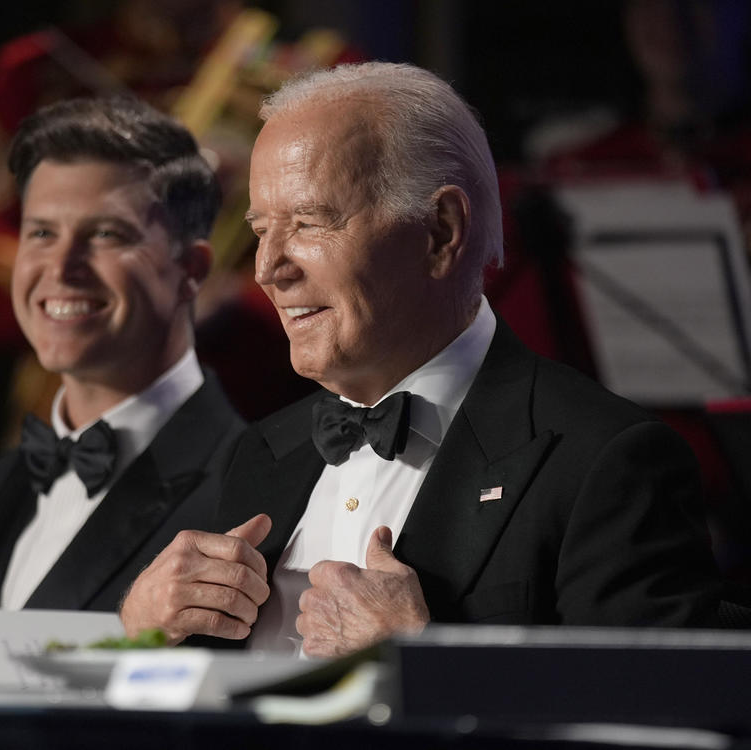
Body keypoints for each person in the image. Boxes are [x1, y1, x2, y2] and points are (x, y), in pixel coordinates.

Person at [119, 61, 730, 657]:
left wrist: (429, 664)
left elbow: (654, 721)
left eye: (308, 223)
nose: (268, 269)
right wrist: (144, 639)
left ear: (440, 230)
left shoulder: (608, 464)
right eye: (260, 230)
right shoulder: (259, 455)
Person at [0, 95, 245, 611]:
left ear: (192, 270)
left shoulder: (251, 485)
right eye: (41, 232)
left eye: (106, 234)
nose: (62, 267)